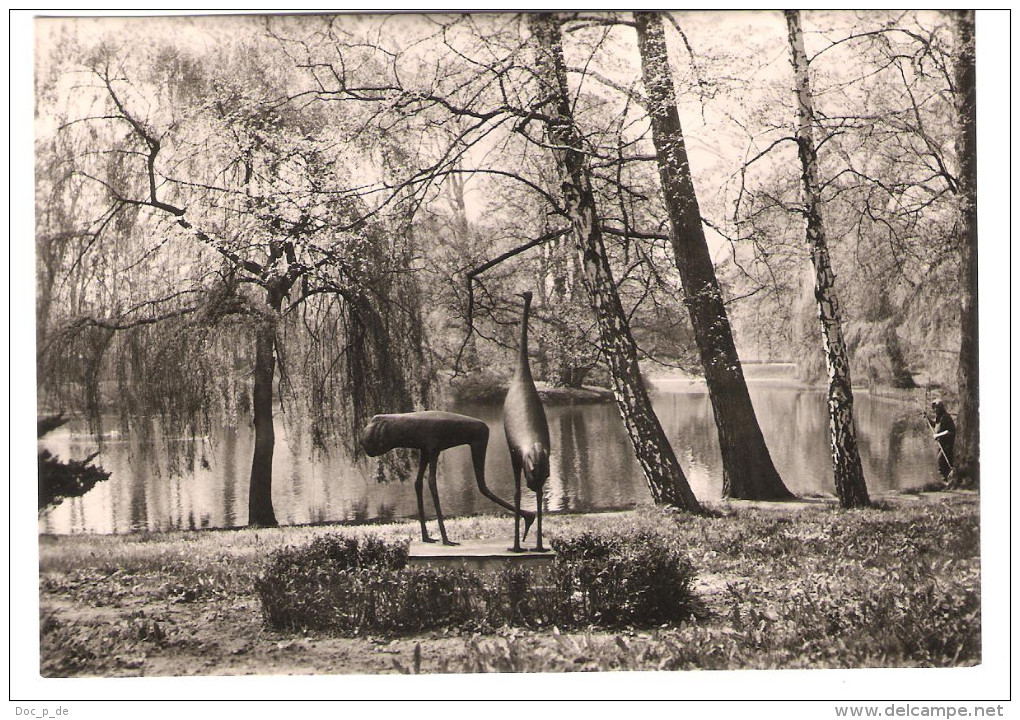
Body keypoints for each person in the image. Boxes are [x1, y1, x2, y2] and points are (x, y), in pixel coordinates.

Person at [927, 399, 956, 485]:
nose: (935, 410)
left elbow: (950, 431)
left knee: (942, 463)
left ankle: (947, 482)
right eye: (934, 408)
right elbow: (935, 426)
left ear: (941, 408)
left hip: (947, 445)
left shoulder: (946, 417)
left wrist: (938, 435)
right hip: (941, 446)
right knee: (941, 464)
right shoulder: (938, 418)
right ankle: (946, 482)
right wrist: (928, 418)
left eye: (936, 408)